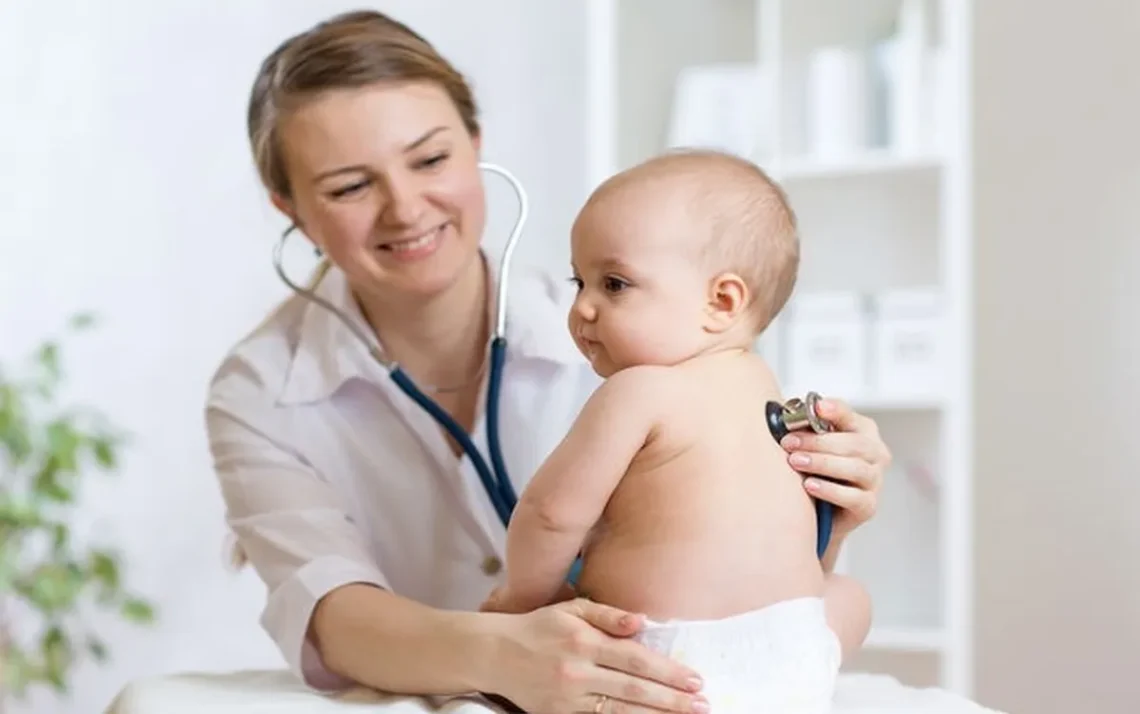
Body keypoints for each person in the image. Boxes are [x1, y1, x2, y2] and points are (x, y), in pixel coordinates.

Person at [205, 9, 892, 714]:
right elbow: (331, 611)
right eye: (351, 186)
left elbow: (754, 573)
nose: (405, 208)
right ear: (289, 207)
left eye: (431, 159)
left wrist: (827, 509)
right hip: (464, 686)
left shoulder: (646, 328)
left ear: (475, 144)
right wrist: (506, 651)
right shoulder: (259, 391)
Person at [480, 149, 865, 712]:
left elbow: (551, 514)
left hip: (657, 662)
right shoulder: (768, 393)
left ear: (721, 301)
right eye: (578, 280)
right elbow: (803, 545)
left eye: (613, 284)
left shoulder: (637, 391)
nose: (583, 307)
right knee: (850, 597)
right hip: (796, 659)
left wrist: (524, 602)